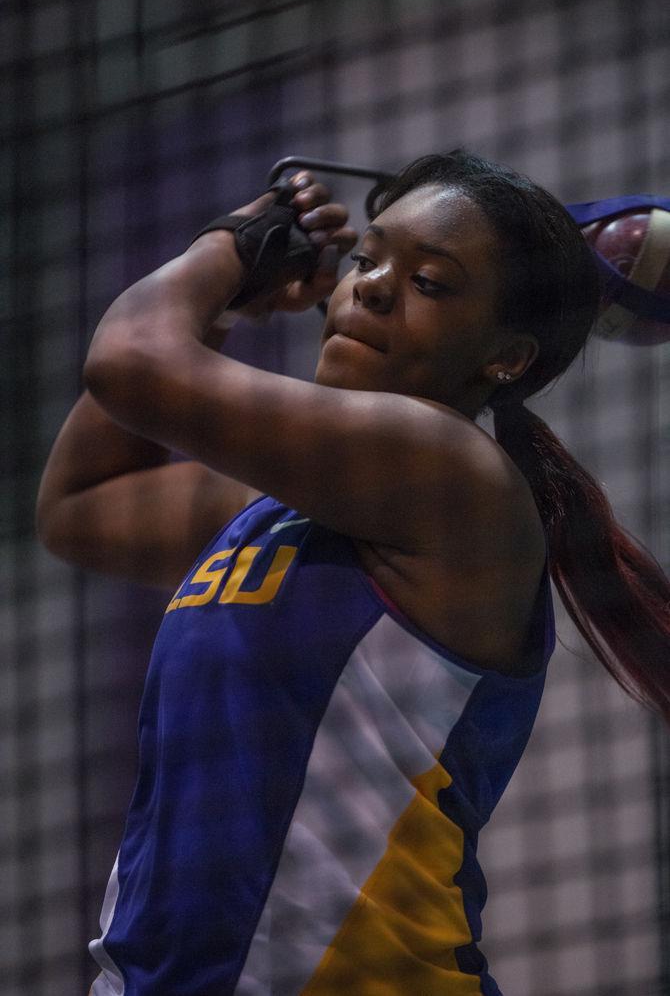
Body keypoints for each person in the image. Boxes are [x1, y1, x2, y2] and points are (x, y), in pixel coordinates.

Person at [37, 151, 670, 995]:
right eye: (367, 258)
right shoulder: (271, 499)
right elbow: (82, 504)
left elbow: (129, 364)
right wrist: (223, 310)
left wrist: (231, 248)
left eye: (430, 282)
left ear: (506, 357)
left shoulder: (452, 478)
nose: (368, 286)